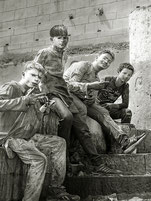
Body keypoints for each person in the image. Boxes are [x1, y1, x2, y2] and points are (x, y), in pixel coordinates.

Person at [34, 25, 119, 173]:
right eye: (59, 38)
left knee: (82, 126)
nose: (62, 41)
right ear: (51, 39)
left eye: (65, 38)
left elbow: (64, 80)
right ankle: (64, 156)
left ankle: (96, 162)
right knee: (67, 117)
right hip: (51, 92)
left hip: (64, 92)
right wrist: (39, 88)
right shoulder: (44, 53)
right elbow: (33, 70)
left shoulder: (64, 55)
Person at [0, 61, 80, 201]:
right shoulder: (11, 87)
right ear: (23, 74)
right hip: (10, 137)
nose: (36, 79)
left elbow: (28, 120)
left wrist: (42, 110)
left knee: (59, 143)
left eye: (38, 77)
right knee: (40, 160)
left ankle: (56, 189)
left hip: (26, 136)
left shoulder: (32, 93)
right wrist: (24, 101)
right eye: (32, 75)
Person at [63, 51, 146, 154]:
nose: (106, 61)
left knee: (103, 112)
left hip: (82, 99)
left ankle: (125, 141)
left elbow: (91, 97)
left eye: (109, 61)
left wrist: (91, 98)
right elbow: (68, 85)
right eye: (105, 58)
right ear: (97, 57)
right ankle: (73, 151)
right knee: (82, 110)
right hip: (66, 95)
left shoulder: (97, 78)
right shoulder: (83, 65)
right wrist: (91, 86)